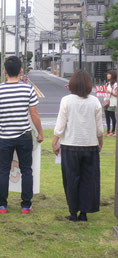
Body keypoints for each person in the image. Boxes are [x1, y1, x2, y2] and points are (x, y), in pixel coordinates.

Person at [0, 56, 43, 214]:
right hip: (24, 135)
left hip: (5, 136)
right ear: (21, 71)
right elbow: (34, 114)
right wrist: (40, 132)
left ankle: (2, 205)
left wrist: (2, 113)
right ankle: (26, 206)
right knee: (26, 170)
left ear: (4, 71)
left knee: (3, 170)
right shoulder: (28, 89)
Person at [52, 70, 103, 222]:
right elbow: (99, 128)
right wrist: (100, 142)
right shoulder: (95, 101)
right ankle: (84, 213)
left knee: (71, 179)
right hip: (90, 145)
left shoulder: (66, 100)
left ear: (72, 84)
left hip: (70, 145)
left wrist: (54, 141)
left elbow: (60, 125)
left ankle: (73, 212)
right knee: (88, 180)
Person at [104, 70, 117, 136]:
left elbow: (116, 94)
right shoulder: (107, 83)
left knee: (112, 116)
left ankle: (113, 131)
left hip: (112, 102)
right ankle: (108, 130)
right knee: (107, 116)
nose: (107, 75)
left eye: (109, 74)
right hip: (107, 101)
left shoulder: (115, 84)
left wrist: (110, 92)